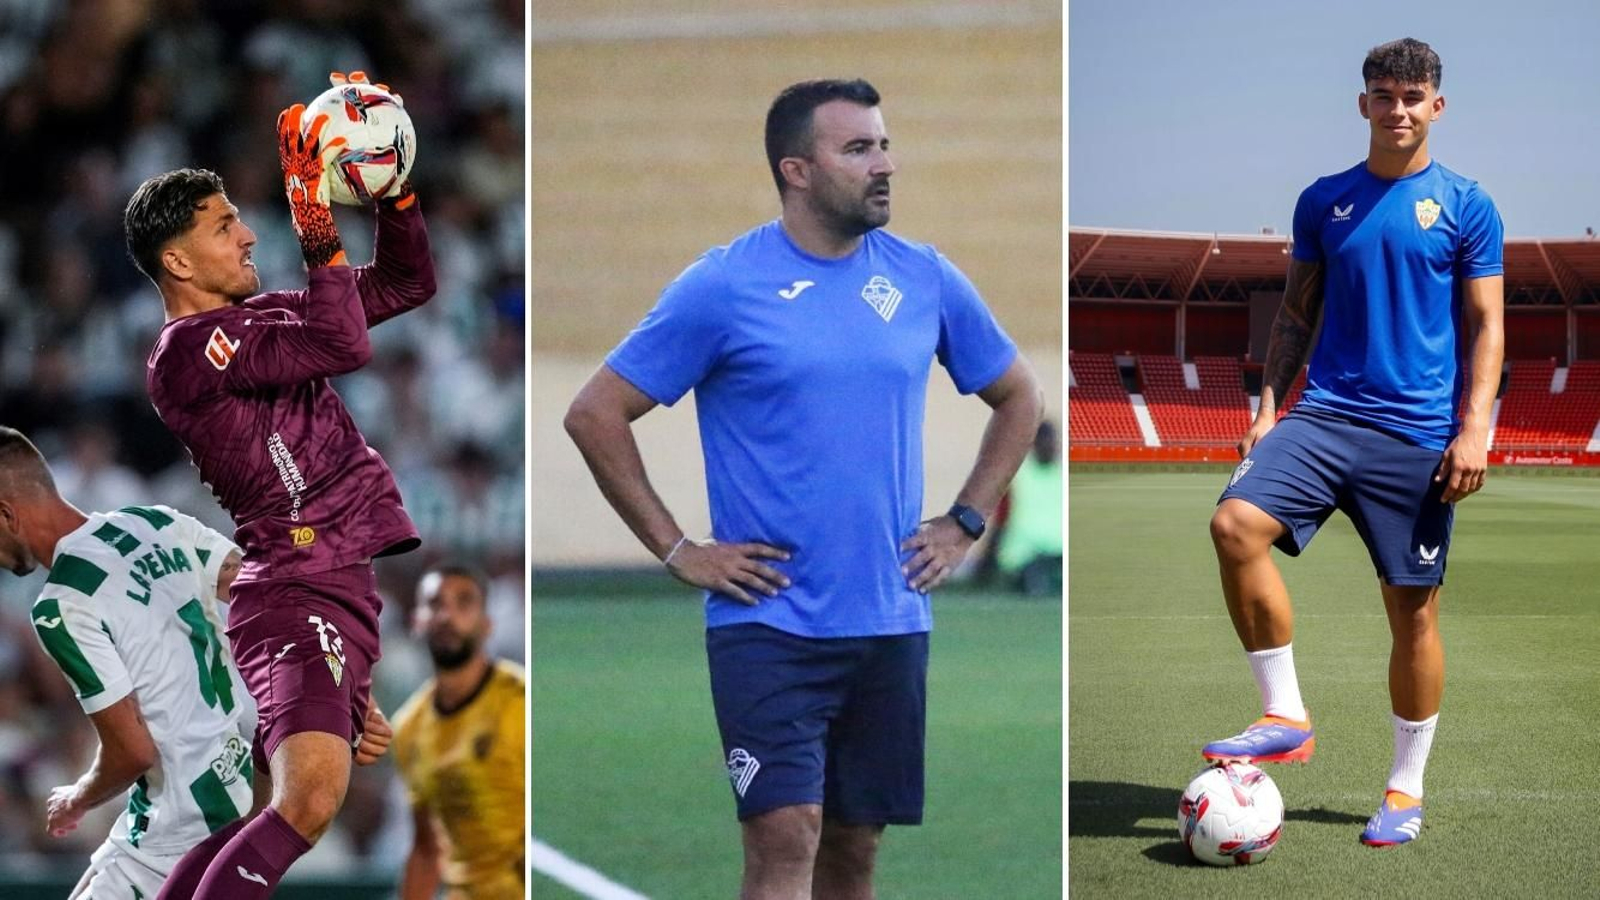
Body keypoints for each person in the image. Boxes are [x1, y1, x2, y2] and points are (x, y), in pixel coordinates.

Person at [564, 78, 1044, 899]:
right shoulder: (723, 285)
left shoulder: (922, 278)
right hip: (769, 621)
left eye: (884, 144)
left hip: (890, 617)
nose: (884, 164)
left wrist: (966, 521)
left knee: (854, 851)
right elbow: (595, 412)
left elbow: (1020, 397)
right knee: (786, 839)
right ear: (796, 170)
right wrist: (679, 550)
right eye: (858, 148)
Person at [123, 71, 436, 898]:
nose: (249, 237)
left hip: (336, 579)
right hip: (295, 580)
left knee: (282, 805)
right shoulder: (188, 352)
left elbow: (406, 286)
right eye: (227, 228)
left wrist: (393, 190)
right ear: (178, 259)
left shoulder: (260, 319)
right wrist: (315, 214)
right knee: (310, 799)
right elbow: (344, 344)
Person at [1204, 38, 1504, 847]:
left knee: (1411, 617)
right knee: (1235, 524)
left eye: (1412, 97)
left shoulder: (1468, 206)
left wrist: (1475, 428)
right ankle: (1286, 712)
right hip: (1325, 414)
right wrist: (1269, 406)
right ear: (1363, 104)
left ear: (1435, 106)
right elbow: (1298, 313)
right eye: (1383, 95)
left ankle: (1404, 791)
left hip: (1416, 436)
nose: (1397, 109)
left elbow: (1485, 323)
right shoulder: (1324, 200)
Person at [0, 426, 390, 898]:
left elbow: (132, 754)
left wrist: (77, 797)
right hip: (236, 797)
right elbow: (279, 601)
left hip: (173, 832)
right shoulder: (156, 523)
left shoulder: (61, 604)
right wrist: (349, 694)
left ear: (6, 515)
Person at [392, 563, 526, 900]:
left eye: (464, 603)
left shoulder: (519, 700)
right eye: (435, 604)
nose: (447, 616)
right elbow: (426, 848)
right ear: (416, 621)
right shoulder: (408, 728)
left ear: (487, 624)